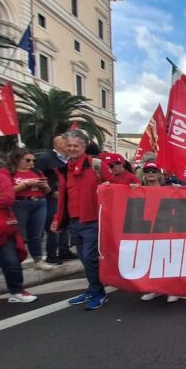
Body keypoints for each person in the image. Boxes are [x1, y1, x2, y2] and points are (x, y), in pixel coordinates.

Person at [51, 130, 108, 311]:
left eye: (76, 145)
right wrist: (57, 218)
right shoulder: (65, 169)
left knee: (89, 258)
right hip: (74, 222)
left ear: (84, 146)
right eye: (69, 145)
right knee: (84, 259)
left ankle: (98, 293)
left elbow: (114, 185)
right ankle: (93, 289)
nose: (72, 148)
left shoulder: (96, 165)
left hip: (92, 221)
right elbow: (64, 198)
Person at [131, 162, 186, 304]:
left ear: (159, 174)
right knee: (152, 259)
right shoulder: (139, 189)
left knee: (168, 259)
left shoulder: (169, 189)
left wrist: (178, 190)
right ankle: (155, 289)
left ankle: (173, 289)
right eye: (147, 171)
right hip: (148, 231)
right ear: (144, 174)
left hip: (166, 229)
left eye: (154, 170)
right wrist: (132, 190)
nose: (151, 173)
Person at [0, 163, 38, 312]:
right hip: (0, 223)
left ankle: (16, 291)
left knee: (12, 262)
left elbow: (8, 198)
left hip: (2, 228)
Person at [9, 148, 54, 271]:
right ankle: (15, 261)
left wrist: (44, 186)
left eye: (33, 160)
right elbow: (8, 191)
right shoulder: (11, 173)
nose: (31, 163)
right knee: (18, 234)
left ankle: (38, 260)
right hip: (20, 203)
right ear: (17, 159)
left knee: (36, 234)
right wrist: (26, 184)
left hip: (39, 202)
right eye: (27, 160)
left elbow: (48, 190)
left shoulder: (37, 172)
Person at [35, 135, 75, 264]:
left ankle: (64, 251)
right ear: (59, 144)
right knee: (55, 225)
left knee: (66, 224)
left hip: (68, 197)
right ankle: (51, 254)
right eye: (67, 143)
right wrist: (51, 192)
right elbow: (38, 177)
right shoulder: (45, 158)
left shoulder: (70, 160)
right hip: (52, 198)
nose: (71, 146)